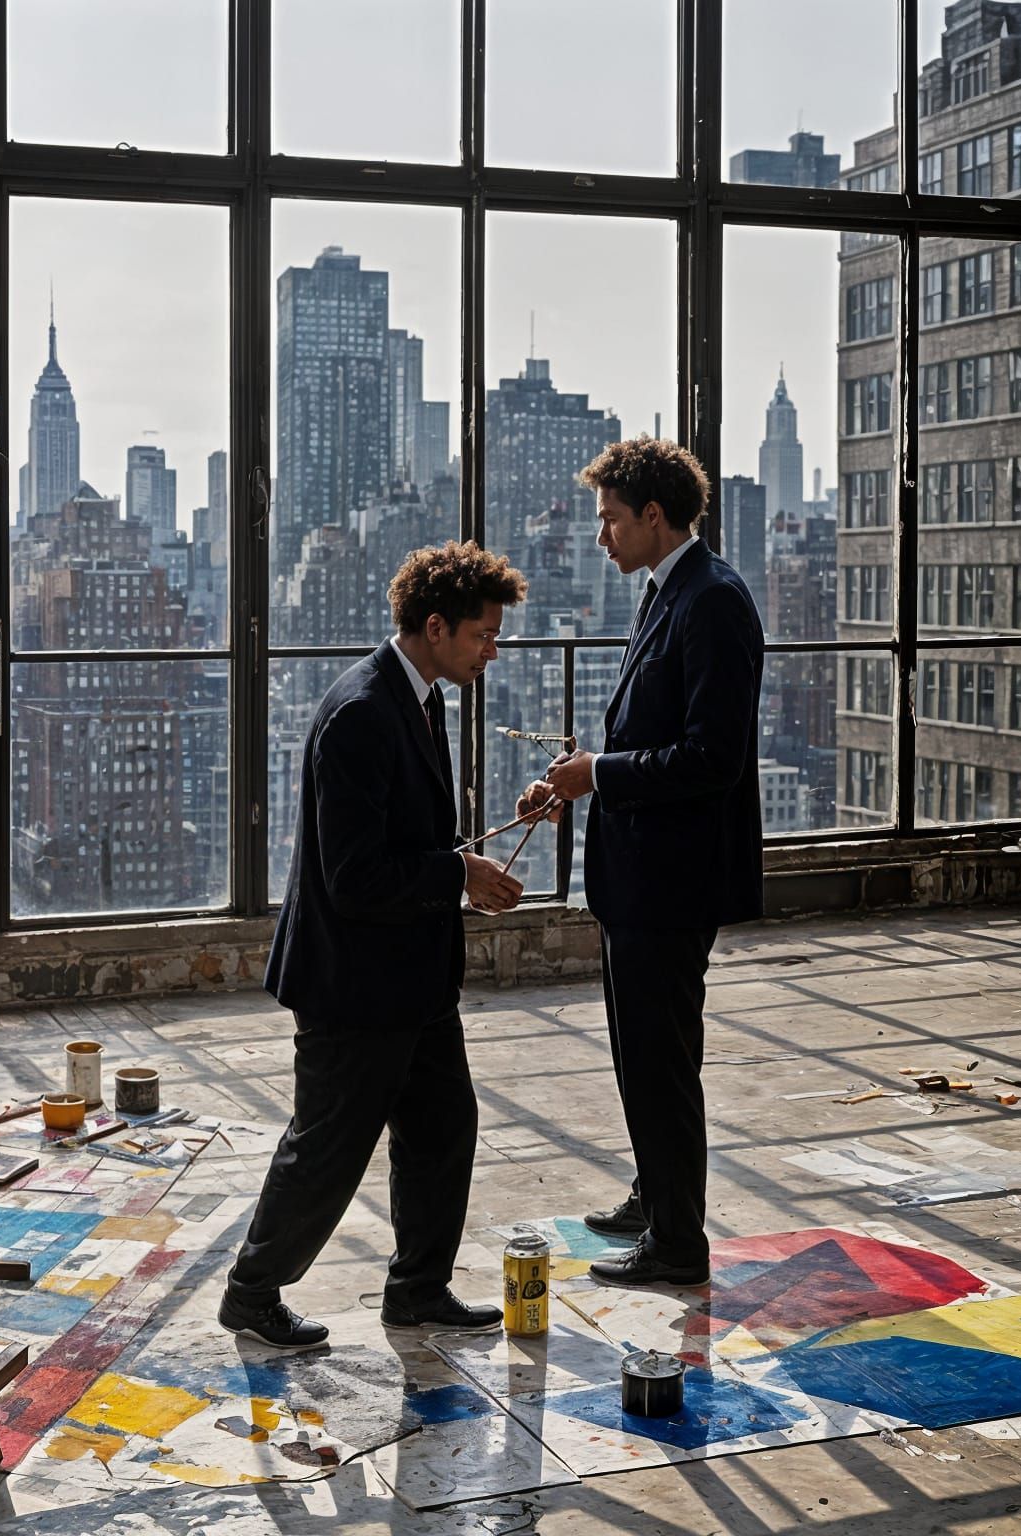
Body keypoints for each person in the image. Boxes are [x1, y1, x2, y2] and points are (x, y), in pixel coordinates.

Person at [219, 541, 529, 1349]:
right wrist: (458, 873)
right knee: (327, 1148)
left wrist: (471, 857)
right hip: (355, 984)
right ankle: (252, 1293)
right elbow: (354, 875)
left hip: (412, 978)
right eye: (483, 636)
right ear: (436, 626)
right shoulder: (362, 712)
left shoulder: (416, 696)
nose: (492, 651)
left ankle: (418, 1289)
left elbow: (408, 834)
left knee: (443, 1130)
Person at [520, 438, 762, 1288]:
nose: (601, 539)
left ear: (653, 516)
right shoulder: (671, 593)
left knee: (660, 1057)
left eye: (610, 521)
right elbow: (652, 734)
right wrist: (576, 784)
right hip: (641, 873)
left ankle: (677, 1242)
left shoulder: (714, 603)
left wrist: (602, 776)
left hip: (673, 881)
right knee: (640, 1050)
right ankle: (655, 1194)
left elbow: (711, 759)